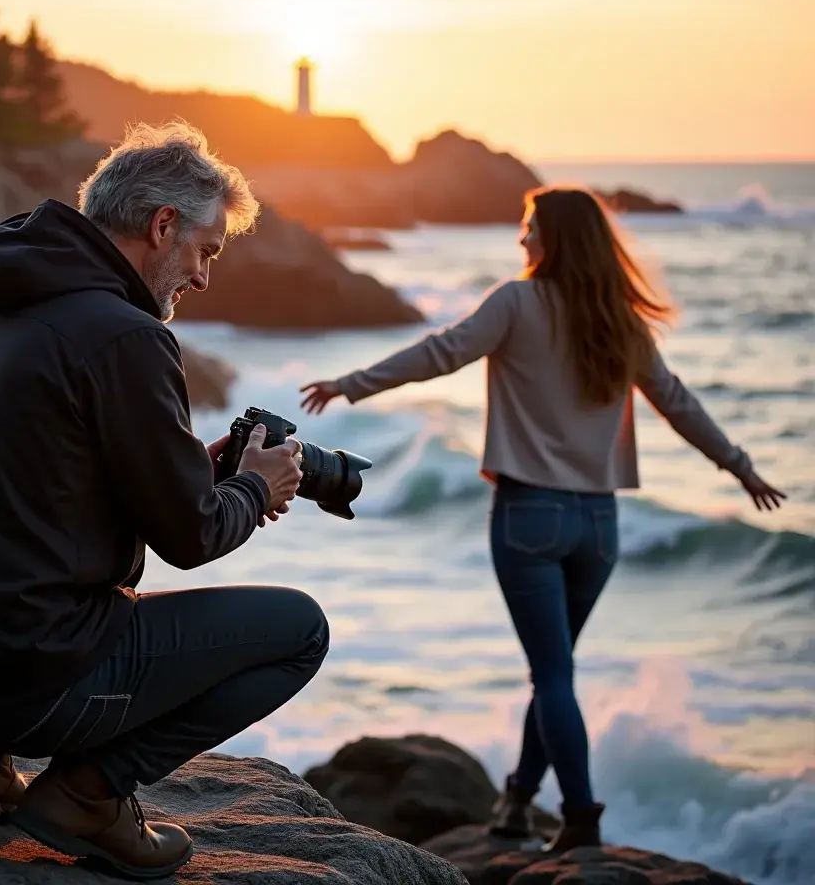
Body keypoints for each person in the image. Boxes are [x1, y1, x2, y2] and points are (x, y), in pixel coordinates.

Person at [0, 122, 329, 880]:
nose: (205, 279)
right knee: (299, 631)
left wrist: (200, 469)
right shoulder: (125, 336)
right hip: (26, 682)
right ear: (162, 226)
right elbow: (190, 538)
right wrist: (257, 486)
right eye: (205, 252)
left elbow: (34, 487)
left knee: (13, 572)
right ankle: (89, 794)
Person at [299, 186, 785, 852]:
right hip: (600, 525)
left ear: (553, 238)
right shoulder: (619, 318)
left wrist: (352, 382)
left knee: (551, 674)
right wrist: (739, 465)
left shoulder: (517, 302)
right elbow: (676, 401)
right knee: (554, 670)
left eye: (529, 229)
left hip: (530, 516)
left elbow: (443, 350)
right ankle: (518, 804)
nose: (521, 241)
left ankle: (581, 816)